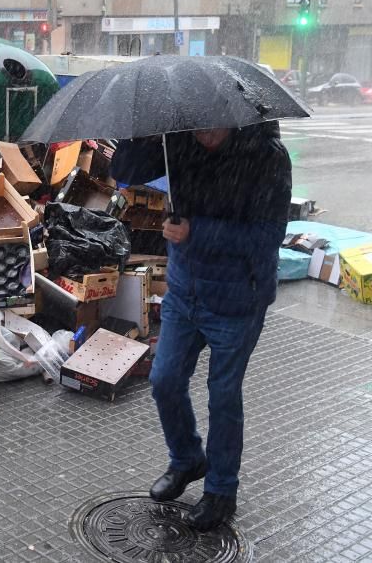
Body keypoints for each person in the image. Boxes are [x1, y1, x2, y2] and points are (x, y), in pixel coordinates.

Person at [111, 122, 292, 531]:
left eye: (214, 126)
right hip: (185, 289)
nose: (205, 134)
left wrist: (197, 232)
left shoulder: (267, 157)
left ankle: (221, 491)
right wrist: (144, 127)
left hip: (237, 297)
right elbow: (124, 170)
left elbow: (268, 236)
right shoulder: (180, 137)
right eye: (198, 125)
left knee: (223, 395)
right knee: (165, 380)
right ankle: (188, 459)